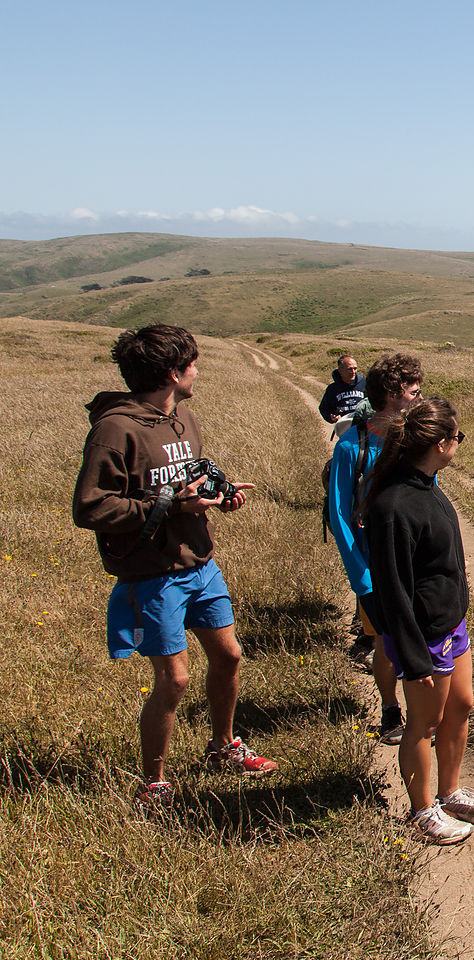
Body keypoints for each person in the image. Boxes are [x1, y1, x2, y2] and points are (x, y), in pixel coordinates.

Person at [73, 324, 276, 811]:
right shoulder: (114, 430)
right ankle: (154, 780)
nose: (197, 372)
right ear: (172, 373)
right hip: (152, 572)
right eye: (192, 365)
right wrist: (165, 506)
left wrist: (216, 498)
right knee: (176, 678)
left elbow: (188, 479)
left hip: (200, 562)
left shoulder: (183, 418)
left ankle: (222, 746)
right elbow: (90, 508)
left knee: (228, 656)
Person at [361, 398, 474, 844]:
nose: (459, 444)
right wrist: (414, 658)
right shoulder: (394, 504)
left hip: (450, 626)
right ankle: (422, 812)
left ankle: (450, 791)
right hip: (422, 634)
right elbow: (391, 590)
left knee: (461, 706)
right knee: (424, 723)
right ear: (441, 445)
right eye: (457, 437)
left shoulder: (427, 484)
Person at [328, 353, 424, 745]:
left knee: (416, 636)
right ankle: (390, 711)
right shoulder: (351, 447)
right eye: (413, 393)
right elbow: (339, 516)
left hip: (412, 561)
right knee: (385, 640)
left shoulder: (412, 441)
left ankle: (420, 712)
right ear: (391, 395)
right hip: (374, 565)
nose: (419, 400)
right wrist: (362, 578)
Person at [320, 355, 366, 424]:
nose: (353, 372)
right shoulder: (333, 389)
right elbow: (324, 409)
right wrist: (331, 417)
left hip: (364, 427)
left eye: (355, 368)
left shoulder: (365, 384)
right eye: (349, 369)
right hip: (344, 428)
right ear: (340, 370)